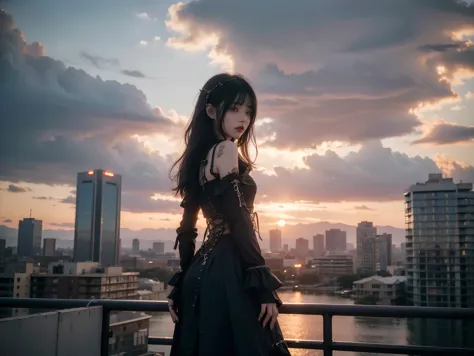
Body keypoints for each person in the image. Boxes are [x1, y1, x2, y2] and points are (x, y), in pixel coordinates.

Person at [167, 73, 291, 356]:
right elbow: (239, 220)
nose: (243, 118)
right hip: (230, 268)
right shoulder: (225, 150)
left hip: (202, 271)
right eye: (234, 108)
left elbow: (187, 230)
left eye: (248, 111)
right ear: (211, 110)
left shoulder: (197, 161)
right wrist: (262, 288)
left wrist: (182, 283)